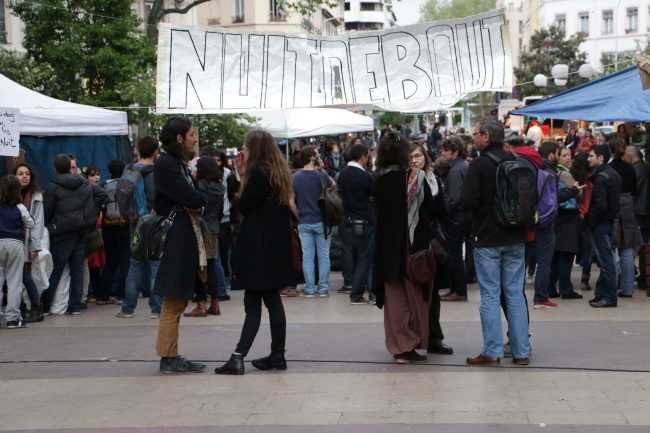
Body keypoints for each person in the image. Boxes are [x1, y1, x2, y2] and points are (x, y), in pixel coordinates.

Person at [215, 130, 294, 375]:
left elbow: (243, 206)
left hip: (258, 249)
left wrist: (241, 176)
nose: (243, 151)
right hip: (273, 248)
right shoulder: (278, 173)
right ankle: (277, 355)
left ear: (255, 149)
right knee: (272, 301)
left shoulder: (260, 174)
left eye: (245, 147)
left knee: (253, 303)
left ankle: (238, 357)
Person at [460, 118, 530, 366]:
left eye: (476, 133)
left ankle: (492, 351)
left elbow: (467, 200)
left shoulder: (480, 165)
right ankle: (521, 351)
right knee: (515, 295)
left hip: (488, 238)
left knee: (490, 295)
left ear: (487, 137)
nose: (473, 137)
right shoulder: (516, 161)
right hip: (516, 237)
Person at [372, 132, 436, 364]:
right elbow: (433, 209)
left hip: (387, 250)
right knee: (415, 299)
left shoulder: (377, 181)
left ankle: (400, 346)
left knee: (395, 300)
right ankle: (412, 344)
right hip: (412, 247)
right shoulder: (415, 179)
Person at [153, 117, 208, 374]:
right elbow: (192, 197)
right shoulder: (166, 163)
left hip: (184, 234)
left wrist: (198, 199)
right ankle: (168, 356)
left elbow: (196, 197)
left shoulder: (177, 163)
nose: (195, 139)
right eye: (191, 134)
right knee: (173, 299)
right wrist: (198, 199)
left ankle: (171, 354)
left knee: (177, 299)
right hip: (177, 235)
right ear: (179, 138)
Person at [42, 154, 107, 315]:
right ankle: (76, 304)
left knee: (55, 270)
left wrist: (50, 227)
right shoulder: (83, 184)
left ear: (55, 168)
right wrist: (89, 218)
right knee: (77, 269)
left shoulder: (52, 186)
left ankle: (45, 305)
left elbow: (47, 211)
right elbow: (101, 195)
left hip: (62, 233)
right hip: (80, 231)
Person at [408, 142, 454, 356]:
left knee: (432, 292)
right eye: (410, 157)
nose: (415, 160)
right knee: (412, 294)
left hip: (432, 243)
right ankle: (414, 337)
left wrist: (447, 239)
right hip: (410, 243)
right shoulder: (404, 182)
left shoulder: (433, 180)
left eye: (418, 155)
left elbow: (442, 213)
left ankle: (434, 337)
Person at [117, 136, 163, 318]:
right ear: (155, 152)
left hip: (135, 222)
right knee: (155, 266)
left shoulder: (128, 170)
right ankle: (156, 309)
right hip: (155, 221)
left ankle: (128, 308)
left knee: (135, 265)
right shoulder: (158, 172)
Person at [183, 156, 224, 317]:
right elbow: (220, 211)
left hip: (199, 228)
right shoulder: (220, 187)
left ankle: (201, 304)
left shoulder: (199, 186)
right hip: (213, 228)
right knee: (212, 266)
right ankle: (215, 303)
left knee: (199, 267)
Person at [292, 145, 333, 298]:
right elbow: (333, 186)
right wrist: (322, 169)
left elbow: (290, 200)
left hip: (304, 221)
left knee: (307, 257)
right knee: (323, 255)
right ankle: (322, 289)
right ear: (312, 157)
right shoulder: (320, 175)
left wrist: (298, 215)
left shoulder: (295, 177)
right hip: (321, 220)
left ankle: (309, 289)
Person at [337, 144, 375, 305]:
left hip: (348, 220)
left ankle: (354, 288)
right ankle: (360, 293)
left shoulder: (342, 174)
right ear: (363, 157)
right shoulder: (365, 176)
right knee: (366, 258)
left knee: (354, 255)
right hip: (365, 220)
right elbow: (374, 195)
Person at [586, 145, 622, 308]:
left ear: (601, 158)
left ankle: (609, 296)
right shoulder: (612, 174)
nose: (589, 159)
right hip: (609, 221)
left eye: (592, 156)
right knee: (605, 260)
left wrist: (590, 220)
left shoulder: (602, 177)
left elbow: (600, 205)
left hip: (601, 223)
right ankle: (601, 294)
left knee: (606, 261)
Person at [0, 175, 35, 328]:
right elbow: (31, 223)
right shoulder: (20, 207)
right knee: (14, 281)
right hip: (15, 243)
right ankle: (13, 319)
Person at [549, 147, 584, 299]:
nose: (568, 158)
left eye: (569, 155)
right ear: (557, 158)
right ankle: (566, 289)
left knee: (556, 256)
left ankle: (551, 287)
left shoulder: (554, 172)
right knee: (565, 256)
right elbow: (579, 194)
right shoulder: (565, 174)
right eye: (564, 156)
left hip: (557, 218)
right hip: (568, 219)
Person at [608, 138, 642, 298]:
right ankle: (627, 288)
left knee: (609, 247)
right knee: (627, 248)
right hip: (628, 205)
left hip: (612, 205)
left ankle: (610, 285)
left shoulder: (608, 169)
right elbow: (635, 189)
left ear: (610, 150)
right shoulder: (630, 169)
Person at [12, 163, 45, 323]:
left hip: (26, 242)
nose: (24, 176)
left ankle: (37, 308)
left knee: (26, 276)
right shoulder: (9, 194)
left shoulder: (36, 196)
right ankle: (21, 308)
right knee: (13, 278)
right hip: (13, 240)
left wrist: (34, 246)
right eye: (20, 174)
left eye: (27, 173)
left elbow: (37, 223)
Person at [95, 159, 131, 304]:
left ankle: (103, 296)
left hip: (108, 226)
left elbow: (99, 205)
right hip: (124, 225)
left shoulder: (104, 185)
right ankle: (122, 295)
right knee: (125, 260)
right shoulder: (127, 185)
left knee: (110, 260)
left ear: (109, 170)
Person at [440, 137, 470, 302]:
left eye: (446, 150)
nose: (443, 153)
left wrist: (443, 212)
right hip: (464, 215)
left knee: (455, 254)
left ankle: (458, 290)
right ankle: (457, 289)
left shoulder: (456, 170)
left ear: (455, 152)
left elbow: (454, 198)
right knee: (456, 254)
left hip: (457, 217)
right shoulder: (463, 167)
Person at [624, 146, 650, 290]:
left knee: (639, 245)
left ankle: (643, 278)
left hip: (639, 211)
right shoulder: (646, 168)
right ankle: (644, 277)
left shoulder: (636, 170)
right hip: (645, 210)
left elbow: (634, 191)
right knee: (645, 244)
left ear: (630, 156)